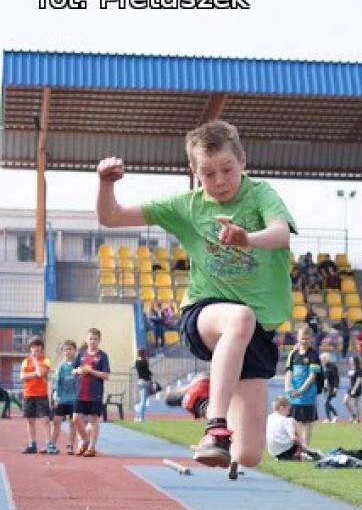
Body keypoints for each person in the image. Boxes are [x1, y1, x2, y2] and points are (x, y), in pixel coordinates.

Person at [97, 119, 296, 471]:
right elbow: (111, 217)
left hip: (257, 333)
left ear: (243, 161)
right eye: (208, 173)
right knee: (239, 316)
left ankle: (201, 399)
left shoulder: (261, 194)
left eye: (227, 170)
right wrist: (105, 184)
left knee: (247, 456)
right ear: (193, 172)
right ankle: (215, 427)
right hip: (206, 314)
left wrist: (247, 238)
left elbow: (280, 233)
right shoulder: (185, 206)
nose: (219, 181)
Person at [72, 328, 111, 456]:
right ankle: (85, 440)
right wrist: (79, 371)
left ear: (99, 340)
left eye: (95, 339)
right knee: (76, 419)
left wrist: (91, 371)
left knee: (93, 420)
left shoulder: (102, 356)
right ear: (86, 339)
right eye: (90, 338)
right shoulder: (81, 354)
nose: (92, 341)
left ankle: (92, 447)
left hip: (95, 394)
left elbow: (106, 375)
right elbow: (73, 370)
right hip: (80, 392)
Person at [285, 325, 321, 447]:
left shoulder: (313, 354)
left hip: (307, 395)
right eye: (302, 338)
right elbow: (288, 371)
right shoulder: (293, 354)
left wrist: (301, 391)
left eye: (307, 338)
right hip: (293, 395)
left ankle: (306, 448)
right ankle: (298, 448)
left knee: (306, 423)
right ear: (297, 338)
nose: (304, 341)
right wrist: (287, 386)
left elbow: (312, 376)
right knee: (294, 422)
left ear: (311, 339)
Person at [20, 335, 53, 454]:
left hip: (41, 394)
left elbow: (41, 373)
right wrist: (34, 373)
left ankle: (49, 444)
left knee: (45, 419)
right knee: (30, 420)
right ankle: (32, 444)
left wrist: (34, 361)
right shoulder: (25, 361)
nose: (36, 348)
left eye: (38, 346)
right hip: (28, 393)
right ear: (30, 348)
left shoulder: (45, 360)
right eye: (34, 346)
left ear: (42, 348)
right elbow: (22, 376)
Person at [266, 396, 319, 461]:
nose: (288, 413)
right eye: (288, 410)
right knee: (293, 421)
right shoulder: (286, 420)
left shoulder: (268, 418)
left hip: (273, 452)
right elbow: (293, 438)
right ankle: (304, 452)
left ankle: (298, 454)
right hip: (287, 450)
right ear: (281, 408)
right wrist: (304, 447)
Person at [51, 340, 79, 454]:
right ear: (63, 351)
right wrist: (55, 397)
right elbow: (56, 383)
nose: (68, 351)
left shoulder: (78, 365)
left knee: (73, 423)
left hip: (75, 400)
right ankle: (52, 444)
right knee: (56, 421)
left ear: (75, 350)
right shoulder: (61, 367)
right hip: (62, 399)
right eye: (65, 349)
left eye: (70, 349)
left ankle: (71, 445)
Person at [134, 347, 153, 423]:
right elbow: (147, 371)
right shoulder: (144, 361)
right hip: (146, 381)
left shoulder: (137, 361)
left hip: (140, 380)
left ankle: (138, 416)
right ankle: (141, 417)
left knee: (142, 400)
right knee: (143, 401)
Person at [343, 354, 362, 423]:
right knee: (345, 401)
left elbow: (358, 380)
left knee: (356, 404)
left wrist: (354, 389)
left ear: (354, 361)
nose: (350, 361)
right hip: (351, 387)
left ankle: (358, 419)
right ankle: (353, 415)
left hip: (357, 388)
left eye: (351, 360)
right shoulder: (351, 369)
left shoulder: (359, 369)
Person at [319, 351, 340, 422]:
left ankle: (332, 416)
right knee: (326, 403)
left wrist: (335, 387)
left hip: (332, 386)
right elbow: (324, 377)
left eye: (322, 359)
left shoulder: (332, 366)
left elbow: (336, 378)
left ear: (326, 359)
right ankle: (332, 417)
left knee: (326, 403)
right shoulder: (323, 367)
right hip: (326, 387)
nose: (321, 360)